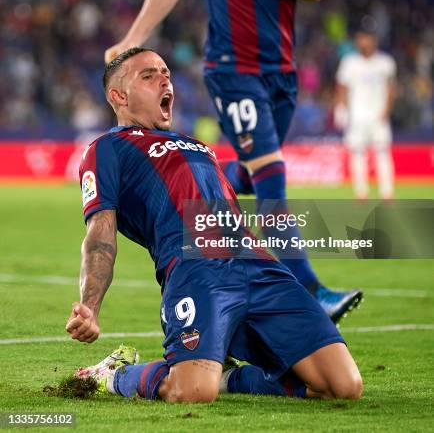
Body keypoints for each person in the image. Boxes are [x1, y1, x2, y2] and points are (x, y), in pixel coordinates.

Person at [104, 0, 362, 321]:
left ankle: (184, 187)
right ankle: (309, 291)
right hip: (230, 69)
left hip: (281, 73)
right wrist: (134, 38)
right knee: (272, 173)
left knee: (249, 174)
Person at [66, 47, 362, 403]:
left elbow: (247, 174)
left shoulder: (196, 146)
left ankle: (227, 377)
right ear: (119, 95)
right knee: (191, 391)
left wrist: (264, 151)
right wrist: (90, 307)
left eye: (166, 72)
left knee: (342, 387)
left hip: (260, 266)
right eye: (148, 75)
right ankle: (116, 374)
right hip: (197, 270)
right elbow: (100, 234)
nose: (165, 79)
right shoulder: (107, 149)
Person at [335, 19, 397, 199]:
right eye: (360, 38)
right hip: (357, 116)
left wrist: (386, 110)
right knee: (357, 153)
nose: (363, 41)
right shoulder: (350, 62)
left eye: (366, 38)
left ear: (374, 40)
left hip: (378, 116)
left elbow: (391, 89)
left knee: (383, 152)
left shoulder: (385, 62)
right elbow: (341, 88)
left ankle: (387, 192)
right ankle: (361, 192)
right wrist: (341, 109)